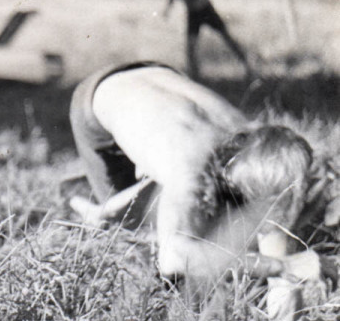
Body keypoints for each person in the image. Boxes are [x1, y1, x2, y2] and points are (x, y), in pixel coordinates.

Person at [68, 61, 321, 281]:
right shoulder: (189, 168)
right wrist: (283, 266)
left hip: (156, 76)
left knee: (190, 202)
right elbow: (174, 259)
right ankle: (97, 209)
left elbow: (272, 212)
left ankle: (107, 208)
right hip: (96, 98)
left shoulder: (251, 136)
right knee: (133, 231)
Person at [157, 0, 252, 80]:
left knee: (226, 37)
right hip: (193, 13)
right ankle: (195, 76)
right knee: (190, 45)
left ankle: (247, 65)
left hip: (205, 9)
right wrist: (167, 10)